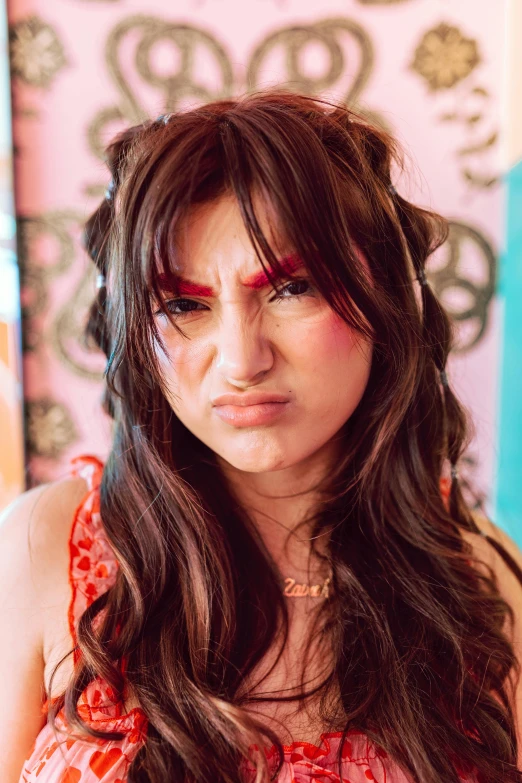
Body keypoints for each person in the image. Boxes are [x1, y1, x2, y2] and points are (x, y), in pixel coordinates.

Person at [1, 89, 522, 783]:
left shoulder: (481, 582)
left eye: (292, 287)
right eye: (184, 303)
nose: (243, 360)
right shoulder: (47, 550)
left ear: (385, 300)